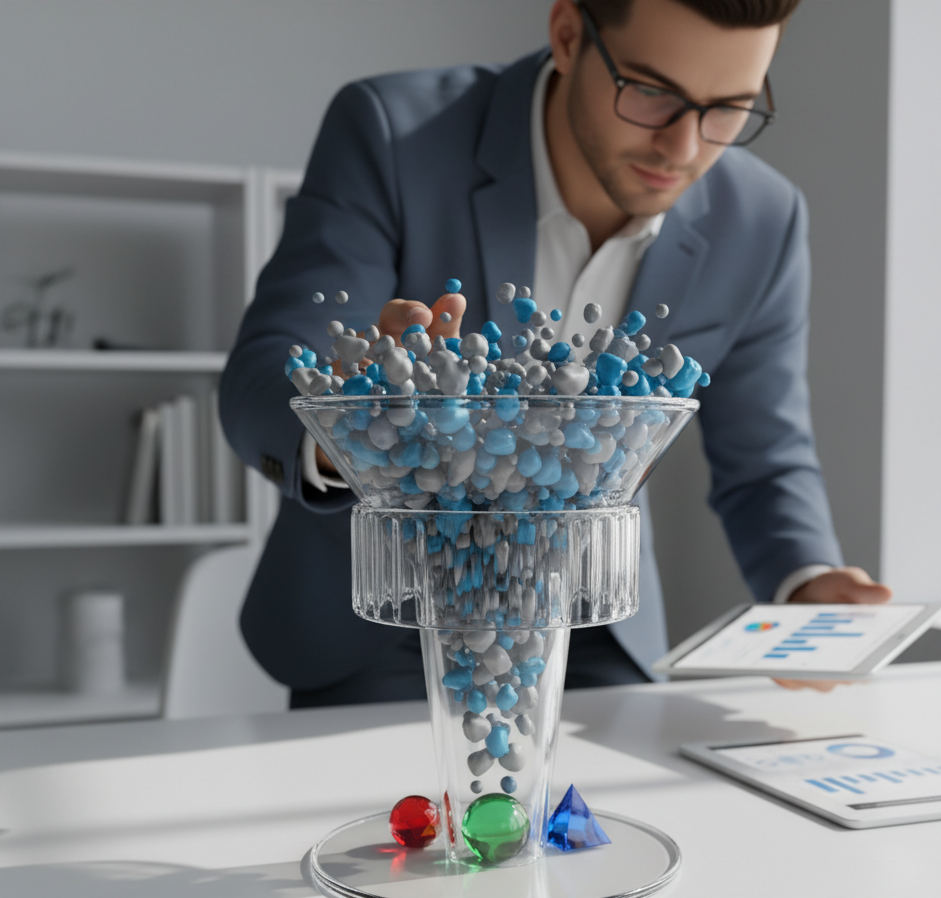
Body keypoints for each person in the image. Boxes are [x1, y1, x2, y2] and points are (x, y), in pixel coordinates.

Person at [220, 0, 892, 707]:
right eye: (654, 94)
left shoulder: (763, 219)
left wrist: (809, 581)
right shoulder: (394, 131)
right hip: (387, 615)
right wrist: (352, 422)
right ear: (569, 35)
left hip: (598, 624)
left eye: (730, 107)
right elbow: (264, 368)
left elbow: (764, 456)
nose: (684, 147)